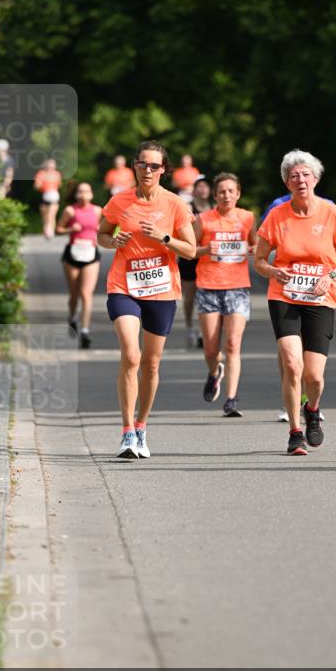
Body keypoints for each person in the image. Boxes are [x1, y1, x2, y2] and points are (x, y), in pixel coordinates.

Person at [97, 140, 196, 459]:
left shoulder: (175, 204)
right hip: (123, 286)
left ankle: (141, 426)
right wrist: (113, 241)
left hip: (161, 289)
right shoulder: (119, 201)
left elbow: (191, 250)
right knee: (131, 353)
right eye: (143, 164)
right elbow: (101, 235)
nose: (148, 170)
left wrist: (164, 238)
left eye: (154, 165)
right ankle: (126, 432)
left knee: (151, 363)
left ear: (164, 170)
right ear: (134, 167)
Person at [255, 150, 336, 455]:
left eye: (306, 174)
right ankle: (295, 431)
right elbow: (259, 260)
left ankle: (311, 409)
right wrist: (274, 270)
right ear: (287, 183)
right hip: (283, 295)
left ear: (316, 179)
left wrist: (332, 274)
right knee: (292, 364)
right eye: (294, 175)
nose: (300, 179)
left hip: (320, 297)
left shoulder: (332, 213)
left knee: (314, 376)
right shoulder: (276, 216)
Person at [194, 173, 257, 416]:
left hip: (237, 287)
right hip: (208, 286)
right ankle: (214, 372)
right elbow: (188, 250)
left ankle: (231, 398)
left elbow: (256, 245)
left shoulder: (247, 218)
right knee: (211, 350)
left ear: (238, 194)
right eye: (222, 191)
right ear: (215, 194)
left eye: (231, 191)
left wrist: (253, 249)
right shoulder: (203, 219)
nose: (226, 195)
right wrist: (206, 249)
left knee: (232, 344)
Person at [56, 182, 103, 349]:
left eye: (87, 191)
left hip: (91, 253)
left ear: (91, 194)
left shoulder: (98, 211)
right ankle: (72, 318)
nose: (84, 194)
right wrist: (71, 229)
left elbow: (107, 229)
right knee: (74, 294)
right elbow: (58, 229)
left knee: (86, 294)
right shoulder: (70, 210)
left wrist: (100, 230)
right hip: (73, 253)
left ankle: (84, 331)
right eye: (81, 191)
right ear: (76, 194)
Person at [179, 175, 211, 347]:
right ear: (194, 190)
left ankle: (202, 330)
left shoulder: (215, 208)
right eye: (199, 186)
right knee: (190, 296)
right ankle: (189, 327)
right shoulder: (188, 208)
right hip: (190, 257)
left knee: (205, 296)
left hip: (208, 258)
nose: (203, 189)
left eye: (206, 186)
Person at [33, 158, 63, 238]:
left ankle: (50, 231)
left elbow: (59, 185)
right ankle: (47, 229)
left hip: (53, 195)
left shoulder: (57, 174)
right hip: (44, 195)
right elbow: (36, 185)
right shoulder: (41, 173)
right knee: (45, 215)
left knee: (52, 214)